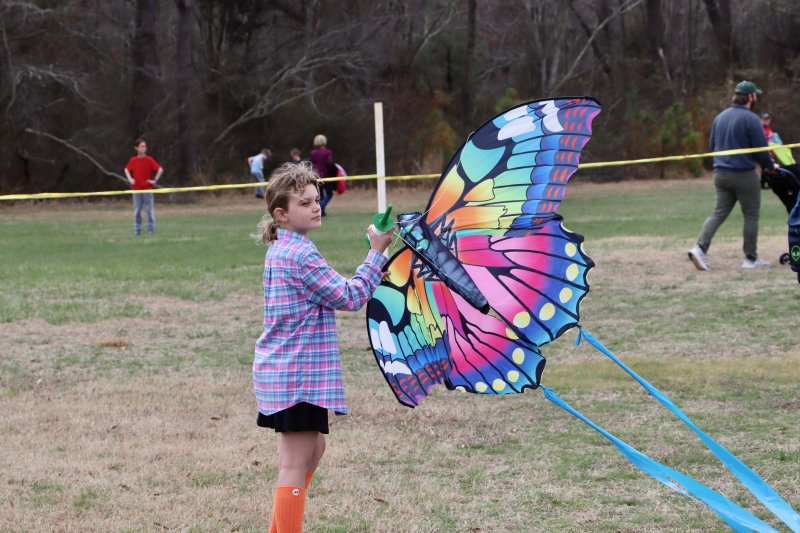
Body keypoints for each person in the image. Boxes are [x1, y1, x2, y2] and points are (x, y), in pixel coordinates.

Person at [252, 162, 392, 532]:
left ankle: (282, 526)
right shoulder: (299, 254)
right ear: (280, 214)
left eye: (317, 199)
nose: (315, 206)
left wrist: (374, 268)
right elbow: (349, 296)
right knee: (295, 461)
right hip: (296, 374)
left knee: (313, 450)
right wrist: (376, 255)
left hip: (294, 372)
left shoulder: (288, 249)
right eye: (304, 202)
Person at [688, 80, 778, 270]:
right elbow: (761, 150)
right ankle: (751, 258)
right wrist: (769, 166)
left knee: (718, 213)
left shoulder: (719, 117)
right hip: (744, 175)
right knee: (751, 214)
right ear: (751, 97)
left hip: (720, 174)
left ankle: (700, 248)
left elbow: (713, 146)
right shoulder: (751, 119)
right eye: (756, 95)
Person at [124, 138, 163, 236]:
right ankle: (137, 230)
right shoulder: (133, 160)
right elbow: (126, 169)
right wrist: (130, 179)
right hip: (136, 189)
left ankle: (151, 229)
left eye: (145, 146)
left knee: (149, 210)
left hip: (147, 189)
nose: (144, 148)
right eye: (142, 146)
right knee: (137, 210)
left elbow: (160, 169)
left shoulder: (149, 159)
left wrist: (155, 180)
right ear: (136, 148)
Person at [309, 134, 335, 216]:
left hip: (316, 175)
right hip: (325, 176)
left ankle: (322, 212)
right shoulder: (328, 152)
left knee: (320, 194)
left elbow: (312, 164)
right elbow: (330, 163)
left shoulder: (313, 153)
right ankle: (320, 207)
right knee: (329, 194)